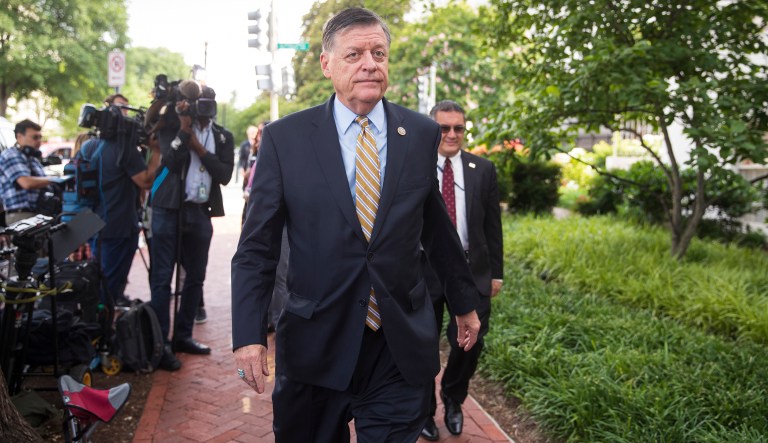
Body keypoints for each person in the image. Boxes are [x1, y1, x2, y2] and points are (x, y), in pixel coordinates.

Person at [231, 8, 481, 442]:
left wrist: (463, 301)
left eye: (378, 52)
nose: (370, 63)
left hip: (397, 345)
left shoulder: (420, 133)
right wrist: (248, 335)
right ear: (327, 64)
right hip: (316, 345)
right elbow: (257, 249)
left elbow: (435, 228)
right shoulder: (285, 139)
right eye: (355, 54)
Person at [420, 101, 504, 440]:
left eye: (458, 128)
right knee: (423, 344)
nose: (451, 134)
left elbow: (493, 227)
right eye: (444, 128)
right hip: (424, 273)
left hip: (472, 272)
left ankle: (453, 400)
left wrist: (496, 272)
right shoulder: (416, 166)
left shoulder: (482, 169)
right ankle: (423, 411)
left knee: (469, 344)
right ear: (432, 130)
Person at [151, 83, 234, 371]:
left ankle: (183, 336)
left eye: (209, 102)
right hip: (168, 210)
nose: (204, 108)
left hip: (200, 213)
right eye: (200, 102)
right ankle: (160, 344)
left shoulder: (223, 136)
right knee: (162, 278)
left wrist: (200, 149)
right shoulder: (171, 126)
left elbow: (224, 175)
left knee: (196, 278)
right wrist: (185, 130)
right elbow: (171, 163)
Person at [82, 95, 161, 308]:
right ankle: (102, 327)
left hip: (93, 223)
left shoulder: (89, 147)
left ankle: (97, 319)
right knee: (110, 284)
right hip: (118, 227)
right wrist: (156, 152)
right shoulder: (123, 150)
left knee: (97, 277)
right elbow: (146, 181)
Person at [0, 119, 54, 225]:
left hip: (37, 214)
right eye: (34, 137)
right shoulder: (11, 155)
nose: (38, 141)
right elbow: (26, 182)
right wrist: (55, 179)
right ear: (19, 137)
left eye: (40, 137)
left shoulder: (32, 159)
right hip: (22, 216)